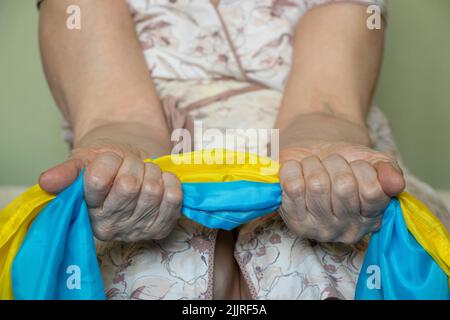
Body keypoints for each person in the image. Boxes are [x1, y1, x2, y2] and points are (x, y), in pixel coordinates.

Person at [36, 0, 420, 299]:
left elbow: (324, 107)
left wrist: (326, 159)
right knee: (155, 269)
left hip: (300, 156)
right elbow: (118, 116)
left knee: (310, 261)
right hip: (157, 157)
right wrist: (119, 163)